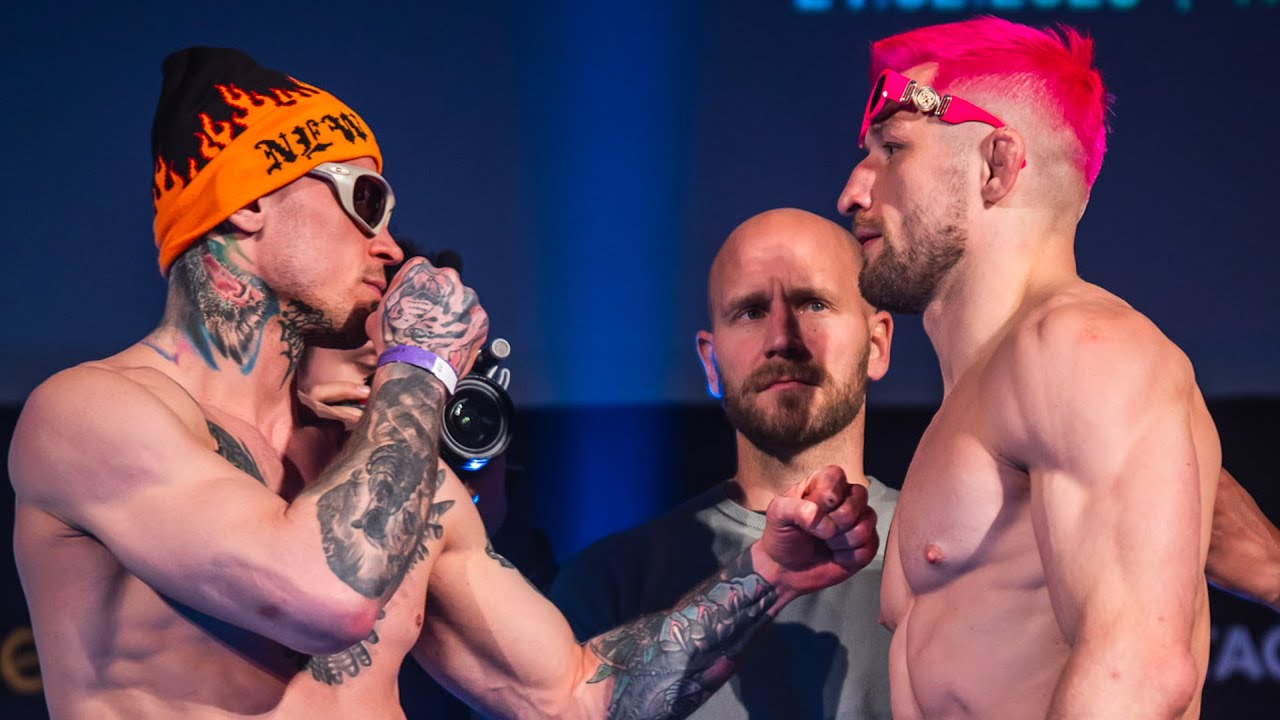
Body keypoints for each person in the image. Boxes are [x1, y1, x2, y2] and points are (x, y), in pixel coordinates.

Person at [7, 48, 880, 719]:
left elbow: (574, 697)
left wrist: (764, 573)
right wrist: (419, 363)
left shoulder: (390, 471)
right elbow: (322, 595)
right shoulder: (93, 414)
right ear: (249, 200)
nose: (388, 245)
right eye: (365, 201)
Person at [836, 17, 1220, 718]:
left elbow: (1135, 673)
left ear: (997, 166)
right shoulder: (985, 391)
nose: (853, 192)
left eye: (892, 148)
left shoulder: (1079, 348)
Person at [551, 208, 897, 719]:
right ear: (710, 362)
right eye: (751, 312)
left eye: (814, 304)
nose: (782, 338)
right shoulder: (610, 582)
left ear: (877, 344)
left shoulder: (953, 556)